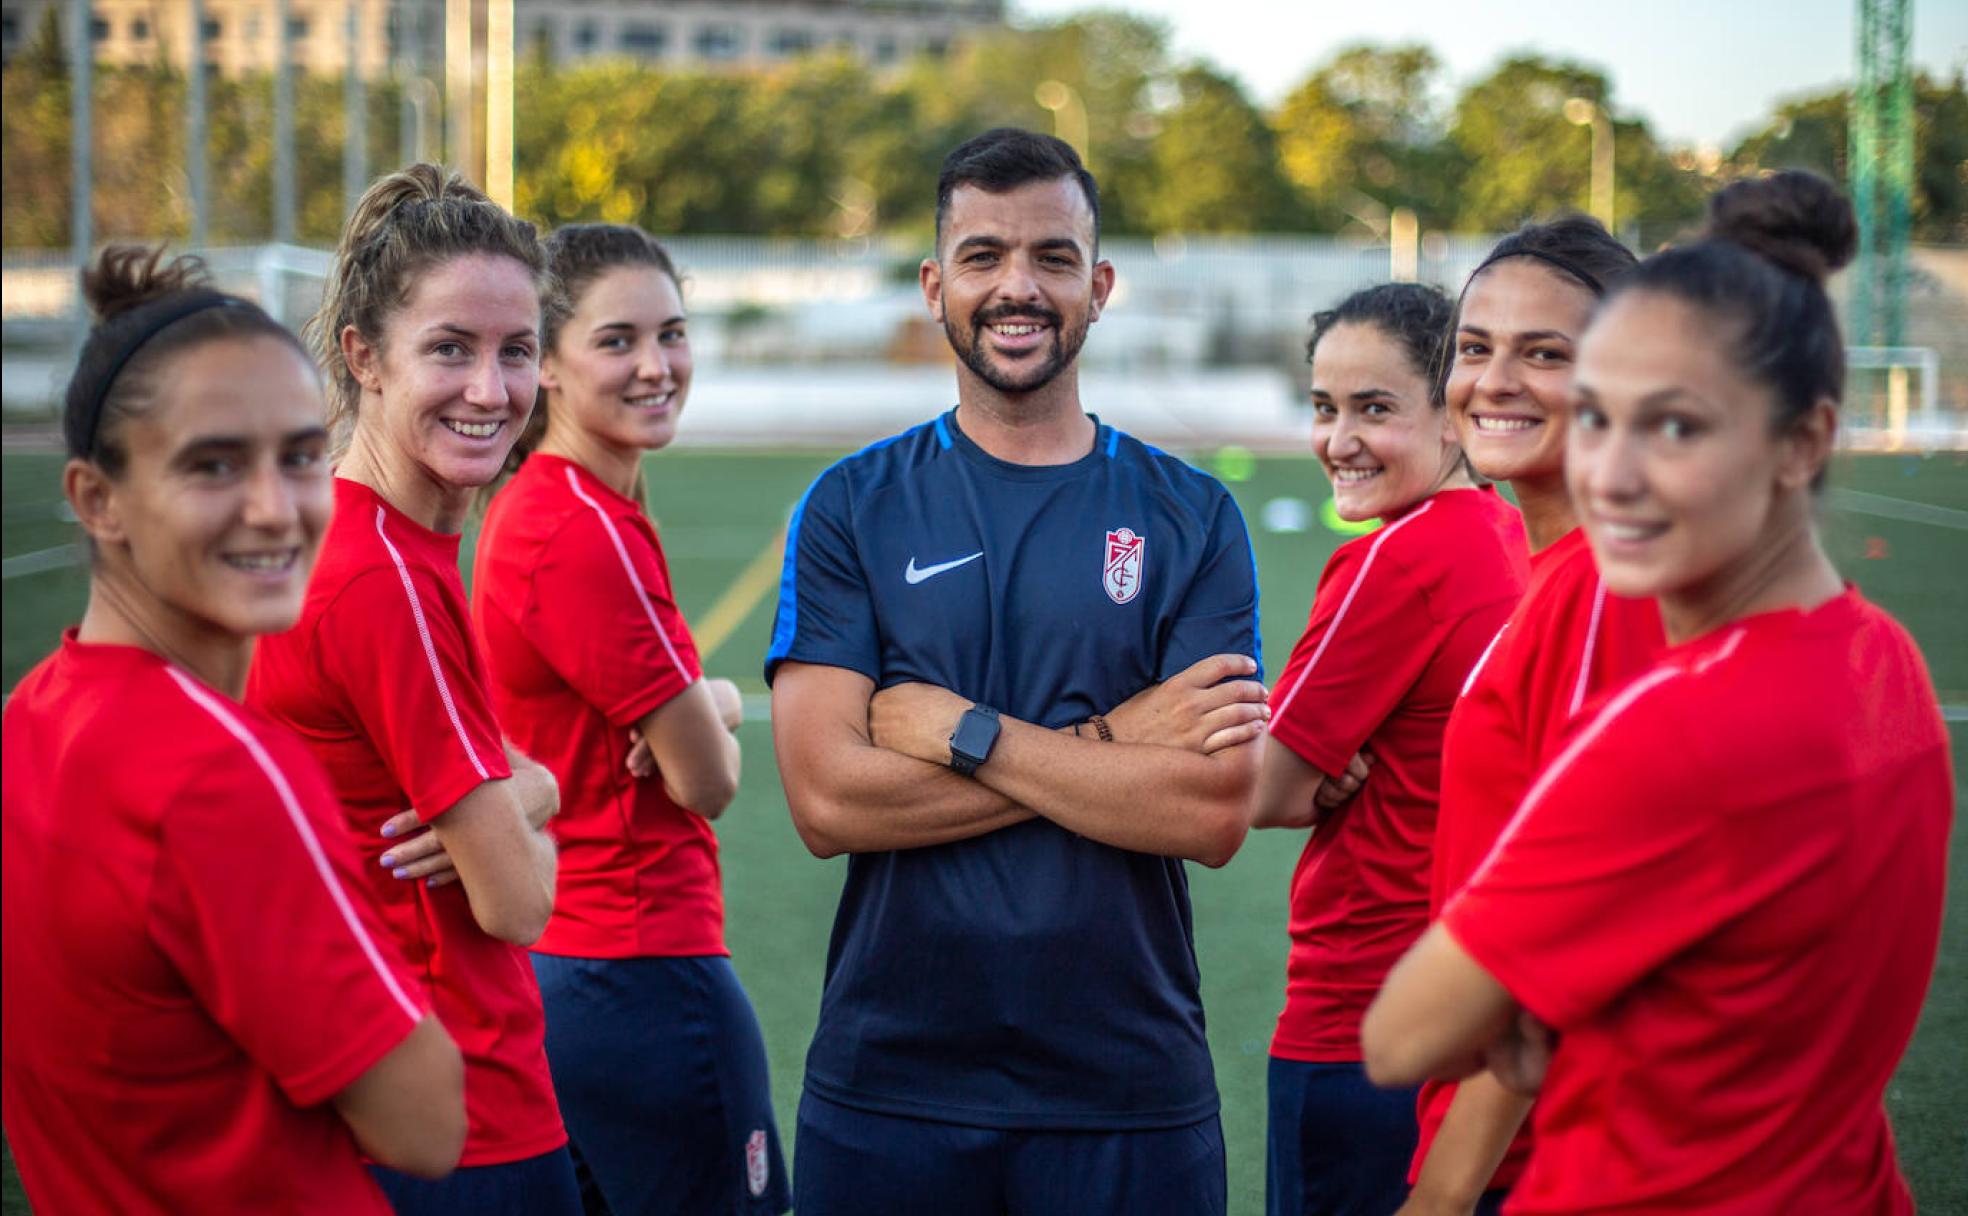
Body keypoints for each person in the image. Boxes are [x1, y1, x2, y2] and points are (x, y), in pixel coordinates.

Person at [1364, 171, 1952, 1214]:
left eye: (1674, 426)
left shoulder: (1654, 672)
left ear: (1802, 443)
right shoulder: (1881, 652)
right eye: (1599, 416)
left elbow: (1412, 1031)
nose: (1615, 471)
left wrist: (1444, 1183)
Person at [765, 128, 1269, 1216]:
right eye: (985, 255)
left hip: (1129, 1086)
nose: (1018, 286)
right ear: (935, 283)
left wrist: (960, 727)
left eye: (1050, 256)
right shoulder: (853, 506)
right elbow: (825, 796)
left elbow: (1213, 808)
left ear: (1100, 284)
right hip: (891, 1086)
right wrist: (1108, 744)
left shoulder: (1193, 515)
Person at [1, 246, 465, 1213]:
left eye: (300, 455)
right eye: (214, 465)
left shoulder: (32, 714)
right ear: (97, 500)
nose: (275, 508)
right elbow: (426, 1122)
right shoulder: (221, 769)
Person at [246, 165, 579, 1215]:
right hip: (458, 1112)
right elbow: (519, 903)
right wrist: (535, 794)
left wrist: (524, 790)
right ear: (363, 357)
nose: (490, 390)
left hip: (369, 1097)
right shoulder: (379, 577)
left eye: (515, 351)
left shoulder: (354, 544)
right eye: (449, 348)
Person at [472, 223, 790, 1215]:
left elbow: (685, 728)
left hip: (577, 967)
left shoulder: (550, 504)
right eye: (617, 341)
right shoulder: (580, 530)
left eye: (673, 334)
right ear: (549, 366)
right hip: (640, 968)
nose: (657, 365)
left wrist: (705, 706)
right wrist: (711, 709)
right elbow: (708, 778)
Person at [1254, 283, 1528, 1216]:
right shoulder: (1508, 533)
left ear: (1453, 414)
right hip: (1478, 1016)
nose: (1339, 440)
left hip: (1361, 1018)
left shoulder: (1396, 559)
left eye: (1376, 408)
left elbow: (1267, 788)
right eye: (1324, 408)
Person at [1401, 216, 1651, 1216]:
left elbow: (1569, 935)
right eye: (1475, 348)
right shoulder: (1556, 577)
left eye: (1544, 353)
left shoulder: (1610, 596)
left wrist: (1444, 1193)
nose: (1492, 382)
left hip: (1558, 1160)